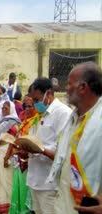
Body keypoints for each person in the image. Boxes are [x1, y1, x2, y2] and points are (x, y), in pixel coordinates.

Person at [46, 62, 102, 214]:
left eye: (69, 83)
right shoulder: (73, 117)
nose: (66, 88)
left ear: (83, 87)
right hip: (64, 203)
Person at [23, 77, 72, 214]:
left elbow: (63, 153)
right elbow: (36, 141)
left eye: (37, 100)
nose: (35, 104)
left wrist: (41, 150)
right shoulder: (41, 115)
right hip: (35, 179)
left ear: (49, 93)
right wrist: (25, 151)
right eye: (34, 101)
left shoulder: (63, 113)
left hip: (49, 185)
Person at [0, 101, 20, 213]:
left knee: (6, 179)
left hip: (6, 152)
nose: (3, 110)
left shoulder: (14, 122)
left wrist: (7, 155)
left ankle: (8, 204)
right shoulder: (1, 121)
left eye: (6, 108)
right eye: (2, 108)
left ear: (11, 109)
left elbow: (13, 139)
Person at [9, 96, 39, 214]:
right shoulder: (24, 122)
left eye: (30, 106)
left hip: (30, 161)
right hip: (19, 159)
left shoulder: (37, 122)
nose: (27, 109)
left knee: (27, 191)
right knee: (18, 187)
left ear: (35, 107)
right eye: (25, 106)